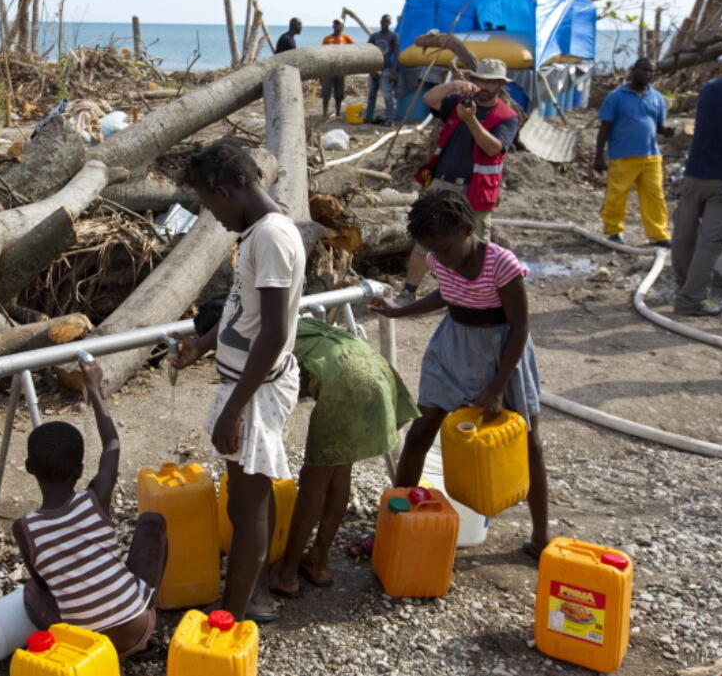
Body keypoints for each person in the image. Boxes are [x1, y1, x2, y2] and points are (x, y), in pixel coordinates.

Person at [364, 189, 549, 559]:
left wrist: (497, 388)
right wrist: (400, 310)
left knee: (529, 441)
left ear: (468, 228)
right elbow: (446, 294)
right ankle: (391, 523)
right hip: (452, 349)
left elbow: (521, 327)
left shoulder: (502, 265)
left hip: (501, 354)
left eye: (446, 249)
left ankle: (541, 535)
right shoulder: (440, 256)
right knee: (420, 432)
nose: (441, 259)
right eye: (434, 252)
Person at [189, 301, 417, 597]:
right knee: (339, 471)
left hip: (346, 382)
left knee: (314, 482)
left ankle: (286, 574)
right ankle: (318, 561)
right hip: (372, 366)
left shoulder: (252, 345)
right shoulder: (278, 317)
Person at [170, 139, 305, 623]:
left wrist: (232, 410)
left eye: (210, 207)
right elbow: (242, 311)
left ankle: (235, 609)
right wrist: (202, 346)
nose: (214, 218)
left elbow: (272, 333)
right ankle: (254, 593)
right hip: (249, 383)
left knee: (246, 511)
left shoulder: (269, 238)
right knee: (254, 499)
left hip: (255, 391)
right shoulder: (262, 230)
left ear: (224, 191)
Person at [13, 357, 167, 660]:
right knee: (153, 524)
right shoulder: (96, 498)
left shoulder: (24, 529)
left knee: (31, 592)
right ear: (81, 469)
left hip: (87, 649)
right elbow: (112, 443)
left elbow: (44, 585)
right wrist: (94, 389)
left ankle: (80, 646)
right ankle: (146, 627)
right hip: (137, 628)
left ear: (29, 468)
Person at [399, 59, 520, 300]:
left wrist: (471, 120)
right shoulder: (457, 102)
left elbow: (493, 148)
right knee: (425, 239)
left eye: (490, 81)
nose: (483, 85)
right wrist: (453, 85)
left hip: (475, 190)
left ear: (500, 85)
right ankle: (408, 292)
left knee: (474, 245)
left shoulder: (507, 117)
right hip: (441, 184)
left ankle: (473, 296)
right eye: (479, 80)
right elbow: (429, 99)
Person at [671, 73, 722, 316]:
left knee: (683, 234)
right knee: (710, 242)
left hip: (694, 174)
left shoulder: (711, 87)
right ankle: (691, 299)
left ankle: (682, 287)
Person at [594, 58, 672, 247]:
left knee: (655, 195)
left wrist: (668, 131)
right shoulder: (616, 97)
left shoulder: (657, 98)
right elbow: (605, 127)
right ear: (633, 70)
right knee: (617, 195)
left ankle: (658, 234)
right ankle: (614, 231)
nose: (647, 74)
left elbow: (659, 127)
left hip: (651, 155)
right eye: (644, 70)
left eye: (651, 71)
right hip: (623, 155)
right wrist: (598, 156)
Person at [365, 14, 399, 125]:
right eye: (383, 21)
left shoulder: (393, 36)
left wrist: (393, 72)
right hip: (374, 69)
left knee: (388, 96)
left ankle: (389, 119)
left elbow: (396, 54)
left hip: (386, 70)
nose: (384, 23)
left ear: (389, 23)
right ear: (380, 22)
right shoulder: (374, 36)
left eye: (387, 22)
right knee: (371, 95)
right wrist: (370, 70)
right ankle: (368, 117)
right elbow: (367, 52)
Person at [320, 19, 354, 118]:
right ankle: (324, 113)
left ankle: (338, 112)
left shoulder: (346, 38)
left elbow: (355, 49)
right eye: (334, 24)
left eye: (338, 24)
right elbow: (322, 53)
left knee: (339, 93)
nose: (336, 26)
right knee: (326, 92)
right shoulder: (327, 39)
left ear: (342, 26)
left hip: (340, 69)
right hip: (328, 69)